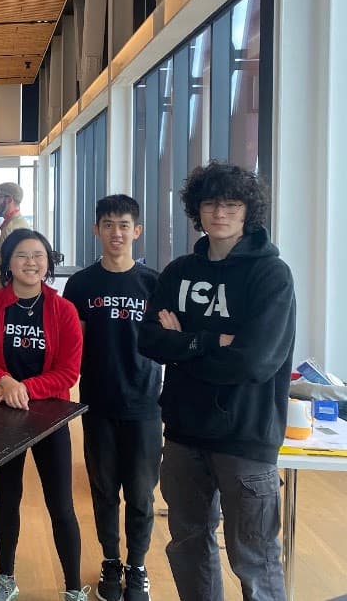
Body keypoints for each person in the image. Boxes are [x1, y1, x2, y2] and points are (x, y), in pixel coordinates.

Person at [138, 161, 295, 601]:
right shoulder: (179, 271)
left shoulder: (271, 275)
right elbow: (149, 340)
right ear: (197, 210)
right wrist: (212, 341)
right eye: (210, 203)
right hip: (185, 434)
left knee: (255, 557)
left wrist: (184, 345)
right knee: (187, 544)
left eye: (231, 204)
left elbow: (254, 363)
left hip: (246, 438)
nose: (219, 213)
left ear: (248, 211)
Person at [0, 228, 88, 601]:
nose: (31, 262)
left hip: (50, 417)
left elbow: (69, 372)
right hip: (4, 417)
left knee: (61, 504)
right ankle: (6, 577)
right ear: (8, 263)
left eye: (38, 255)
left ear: (48, 263)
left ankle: (72, 587)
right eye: (22, 255)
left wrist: (23, 388)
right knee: (7, 499)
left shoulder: (62, 310)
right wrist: (5, 381)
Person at [62, 195, 160, 601]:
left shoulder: (154, 283)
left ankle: (136, 565)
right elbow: (72, 343)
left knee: (140, 493)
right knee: (104, 490)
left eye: (123, 225)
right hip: (98, 402)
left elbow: (168, 338)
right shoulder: (81, 284)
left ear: (137, 231)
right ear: (96, 231)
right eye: (107, 224)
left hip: (144, 405)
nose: (115, 232)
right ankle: (109, 561)